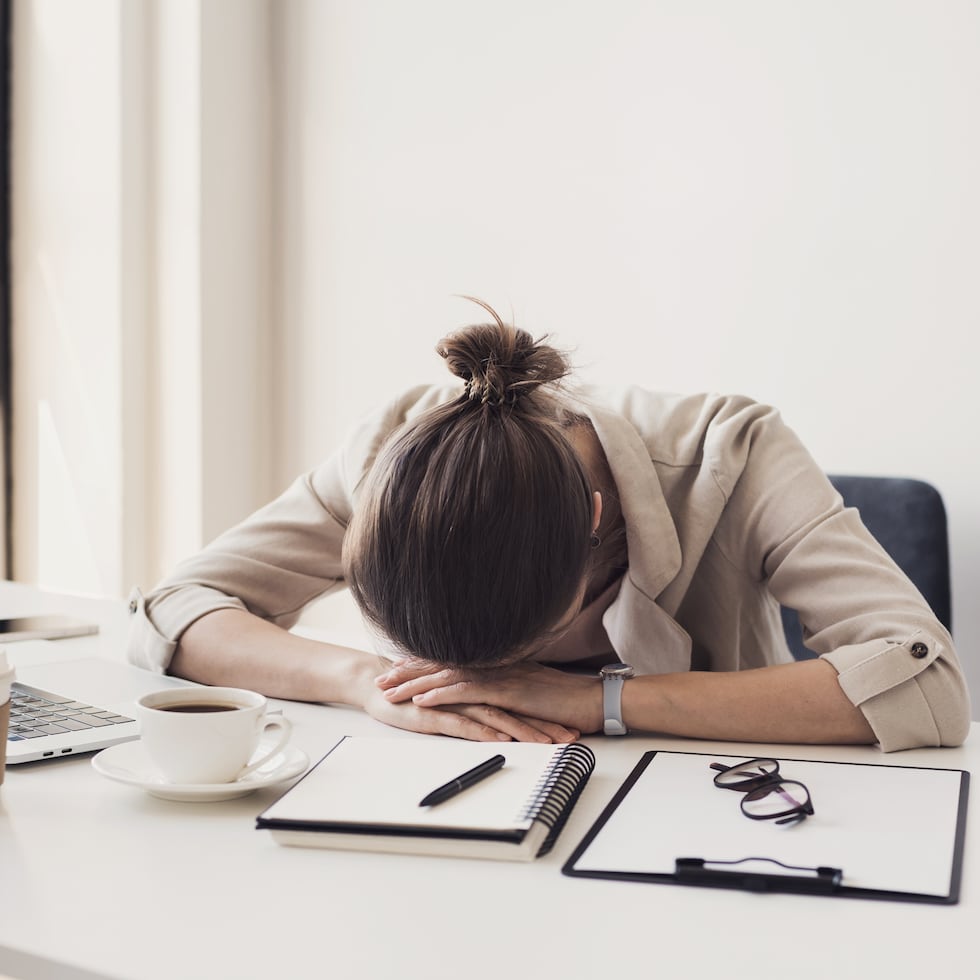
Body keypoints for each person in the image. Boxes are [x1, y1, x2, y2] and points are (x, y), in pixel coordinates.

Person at [127, 302, 971, 752]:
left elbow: (930, 691)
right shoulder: (393, 452)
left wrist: (590, 699)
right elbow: (177, 606)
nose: (480, 680)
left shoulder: (733, 450)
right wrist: (367, 687)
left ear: (596, 527)